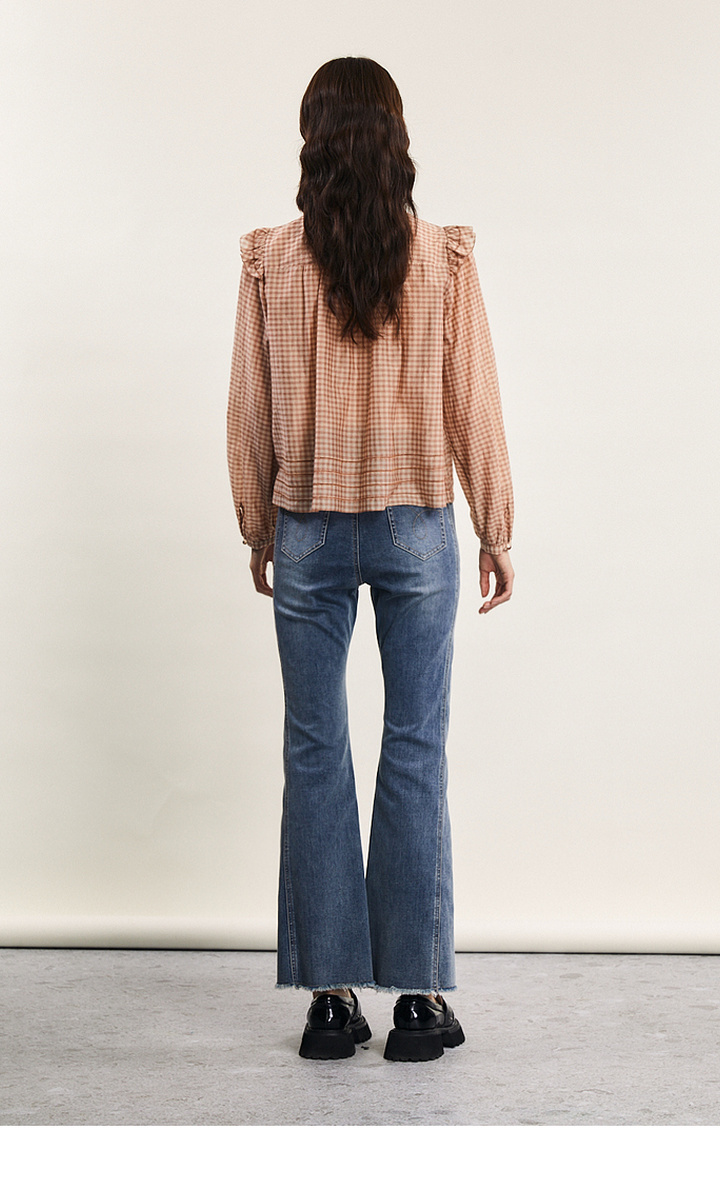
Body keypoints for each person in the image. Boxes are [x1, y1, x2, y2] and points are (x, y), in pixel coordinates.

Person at [227, 56, 514, 1062]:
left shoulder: (271, 259)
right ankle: (419, 1003)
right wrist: (497, 525)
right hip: (415, 525)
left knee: (314, 751)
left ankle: (330, 1000)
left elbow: (249, 404)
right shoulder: (440, 257)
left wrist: (258, 525)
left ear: (311, 139)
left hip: (307, 525)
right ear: (396, 136)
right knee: (415, 746)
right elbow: (473, 396)